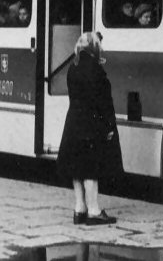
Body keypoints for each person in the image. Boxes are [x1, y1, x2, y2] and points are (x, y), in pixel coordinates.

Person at [56, 32, 123, 225]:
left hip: (73, 122)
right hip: (91, 124)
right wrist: (109, 125)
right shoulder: (96, 69)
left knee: (77, 169)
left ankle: (79, 209)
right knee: (91, 169)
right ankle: (94, 210)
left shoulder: (73, 67)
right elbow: (104, 102)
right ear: (94, 47)